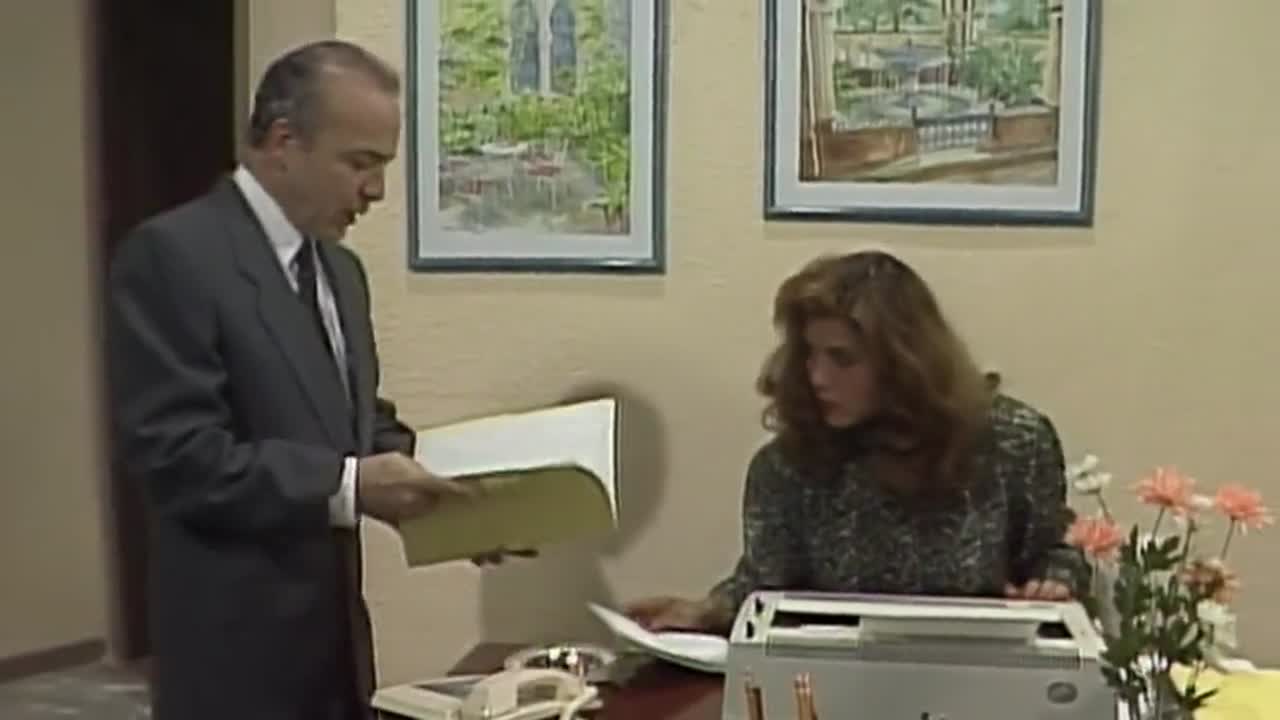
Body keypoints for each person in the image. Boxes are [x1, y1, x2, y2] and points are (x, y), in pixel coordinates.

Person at [107, 41, 486, 720]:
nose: (376, 191)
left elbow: (357, 424)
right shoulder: (172, 256)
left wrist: (471, 504)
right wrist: (350, 485)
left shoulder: (341, 272)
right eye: (360, 164)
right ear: (284, 142)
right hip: (234, 665)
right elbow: (180, 457)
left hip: (336, 655)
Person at [626, 250, 1089, 633]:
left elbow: (1055, 550)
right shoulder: (787, 466)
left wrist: (1053, 582)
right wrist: (708, 612)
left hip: (985, 676)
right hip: (830, 686)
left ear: (904, 363)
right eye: (809, 355)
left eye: (842, 359)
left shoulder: (1014, 442)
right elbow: (765, 587)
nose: (817, 377)